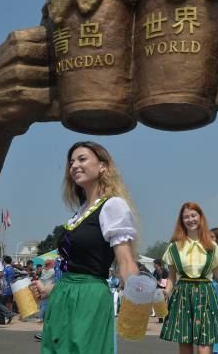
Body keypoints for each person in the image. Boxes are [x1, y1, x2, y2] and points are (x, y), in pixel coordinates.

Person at [30, 141, 139, 354]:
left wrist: (138, 293)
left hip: (90, 298)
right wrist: (49, 289)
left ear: (103, 166)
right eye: (71, 162)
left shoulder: (112, 206)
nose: (74, 166)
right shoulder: (80, 212)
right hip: (63, 296)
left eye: (82, 159)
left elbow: (125, 262)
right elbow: (78, 268)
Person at [160, 202, 218, 354]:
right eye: (186, 217)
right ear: (181, 220)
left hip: (206, 295)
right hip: (182, 296)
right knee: (185, 343)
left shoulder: (212, 246)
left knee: (205, 344)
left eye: (193, 215)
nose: (190, 219)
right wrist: (165, 292)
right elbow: (171, 278)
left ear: (200, 218)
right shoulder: (174, 247)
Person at [0, 255, 16, 325]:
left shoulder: (6, 269)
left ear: (4, 262)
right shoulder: (12, 269)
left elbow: (3, 280)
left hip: (5, 289)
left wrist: (1, 288)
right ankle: (8, 316)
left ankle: (7, 316)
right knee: (9, 303)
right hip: (11, 288)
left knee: (2, 304)